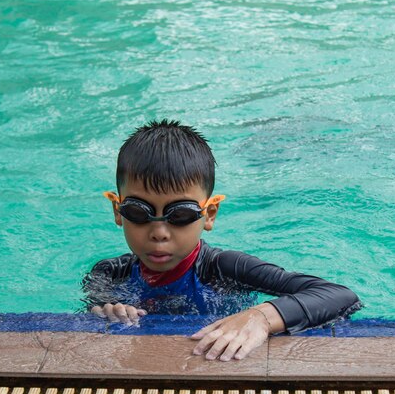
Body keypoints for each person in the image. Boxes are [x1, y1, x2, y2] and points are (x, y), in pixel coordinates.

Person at [82, 119, 362, 362]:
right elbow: (87, 318)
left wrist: (261, 318)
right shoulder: (108, 274)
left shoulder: (224, 270)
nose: (160, 232)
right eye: (138, 212)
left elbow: (341, 297)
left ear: (209, 215)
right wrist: (105, 312)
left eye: (180, 214)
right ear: (118, 212)